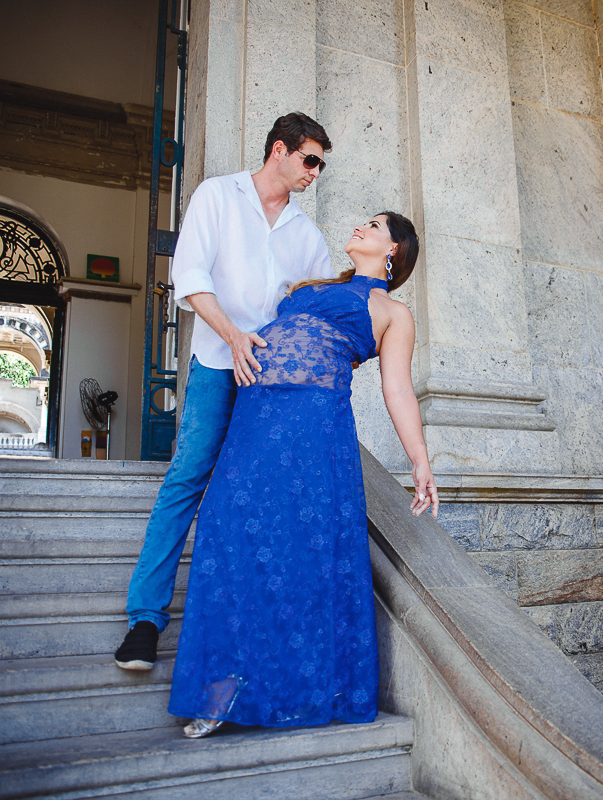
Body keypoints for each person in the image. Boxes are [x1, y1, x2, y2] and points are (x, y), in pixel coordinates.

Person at [168, 211, 439, 738]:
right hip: (255, 417)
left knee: (298, 550)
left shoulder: (392, 312)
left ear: (394, 251)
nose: (361, 226)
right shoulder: (312, 284)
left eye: (375, 225)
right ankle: (221, 688)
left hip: (313, 428)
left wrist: (420, 460)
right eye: (364, 221)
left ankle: (285, 690)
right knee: (227, 531)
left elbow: (397, 389)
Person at [114, 113, 335, 671]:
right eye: (310, 160)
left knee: (260, 497)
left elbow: (315, 309)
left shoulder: (308, 236)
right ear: (279, 150)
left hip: (272, 380)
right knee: (187, 477)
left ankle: (250, 634)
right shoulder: (217, 196)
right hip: (218, 361)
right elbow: (191, 278)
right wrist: (234, 337)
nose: (315, 173)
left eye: (321, 165)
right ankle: (144, 620)